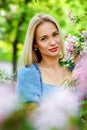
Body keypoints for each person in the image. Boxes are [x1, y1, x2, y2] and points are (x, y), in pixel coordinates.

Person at [16, 13, 73, 115]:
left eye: (55, 34)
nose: (52, 42)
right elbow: (32, 119)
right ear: (35, 44)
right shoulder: (29, 73)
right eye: (44, 38)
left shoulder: (74, 68)